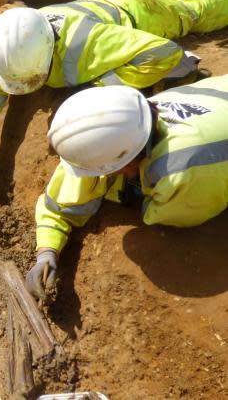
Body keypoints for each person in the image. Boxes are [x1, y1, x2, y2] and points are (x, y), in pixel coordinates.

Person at [0, 0, 228, 211]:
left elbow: (164, 53)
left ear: (49, 53)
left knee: (193, 12)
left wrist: (98, 87)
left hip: (140, 13)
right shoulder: (4, 52)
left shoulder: (89, 44)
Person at [24, 75, 228, 302]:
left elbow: (167, 214)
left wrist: (128, 186)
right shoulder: (130, 119)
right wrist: (46, 253)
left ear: (127, 164)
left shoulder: (179, 171)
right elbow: (60, 201)